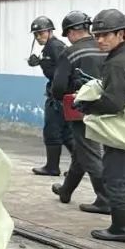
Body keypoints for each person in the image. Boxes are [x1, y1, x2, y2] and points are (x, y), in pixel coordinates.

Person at [77, 9, 125, 243]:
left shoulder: (117, 63)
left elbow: (113, 103)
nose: (100, 40)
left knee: (116, 177)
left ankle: (121, 228)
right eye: (97, 35)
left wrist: (87, 105)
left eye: (106, 35)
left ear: (121, 33)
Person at [50, 11, 110, 213]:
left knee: (90, 154)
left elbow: (58, 87)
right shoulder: (105, 48)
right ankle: (66, 190)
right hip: (107, 106)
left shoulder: (71, 52)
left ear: (71, 32)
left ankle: (106, 199)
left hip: (81, 108)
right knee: (81, 151)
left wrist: (60, 98)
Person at [28, 16, 73, 176]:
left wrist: (43, 64)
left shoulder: (55, 46)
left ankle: (52, 167)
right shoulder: (51, 47)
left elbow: (62, 72)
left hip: (59, 96)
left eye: (41, 33)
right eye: (36, 34)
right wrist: (40, 62)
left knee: (52, 131)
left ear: (50, 31)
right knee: (66, 133)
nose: (38, 37)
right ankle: (80, 166)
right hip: (61, 95)